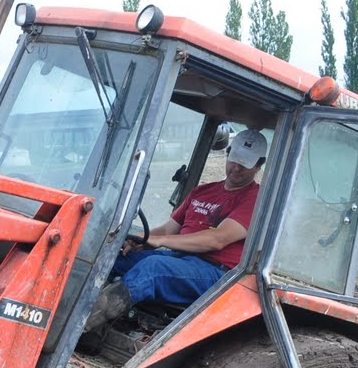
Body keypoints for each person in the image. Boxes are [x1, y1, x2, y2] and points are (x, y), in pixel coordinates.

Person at [84, 128, 269, 333]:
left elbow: (218, 239)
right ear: (228, 153)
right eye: (234, 159)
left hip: (215, 273)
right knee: (113, 257)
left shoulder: (255, 200)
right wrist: (139, 240)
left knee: (155, 267)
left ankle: (79, 327)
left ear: (259, 165)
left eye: (245, 164)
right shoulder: (203, 191)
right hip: (179, 259)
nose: (236, 168)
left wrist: (162, 240)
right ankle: (76, 315)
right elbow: (168, 228)